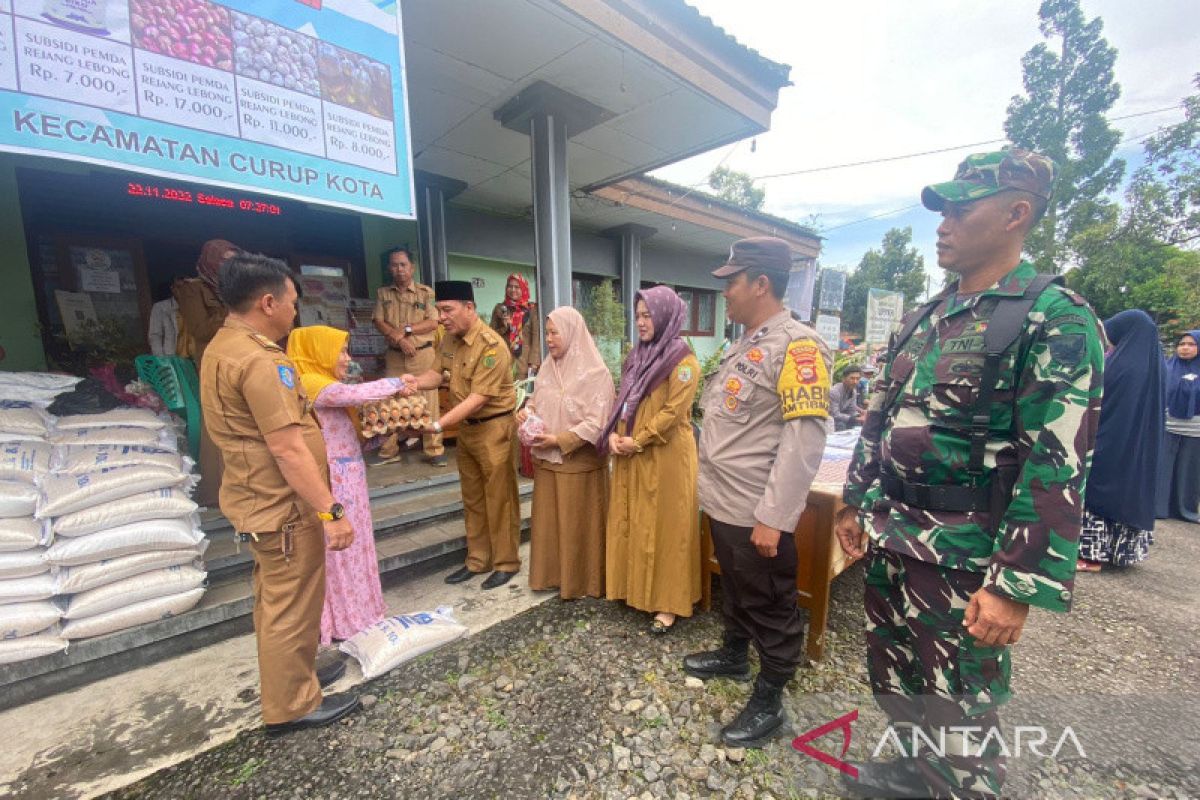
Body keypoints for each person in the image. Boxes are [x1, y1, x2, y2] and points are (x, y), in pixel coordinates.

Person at [834, 149, 1105, 798]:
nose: (943, 224)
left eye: (961, 209)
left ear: (1017, 213)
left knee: (959, 705)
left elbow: (1057, 460)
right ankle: (908, 770)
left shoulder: (1054, 318)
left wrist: (1016, 583)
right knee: (896, 678)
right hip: (895, 535)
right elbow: (879, 417)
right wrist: (854, 502)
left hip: (963, 553)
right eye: (943, 210)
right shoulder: (925, 318)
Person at [200, 253, 359, 735]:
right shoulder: (259, 361)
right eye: (292, 302)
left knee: (280, 598)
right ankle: (293, 705)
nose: (295, 312)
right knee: (289, 604)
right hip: (282, 506)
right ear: (267, 302)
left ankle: (300, 668)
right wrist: (331, 511)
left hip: (261, 500)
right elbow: (289, 449)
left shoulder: (223, 347)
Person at [686, 237, 831, 748]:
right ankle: (733, 655)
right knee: (737, 587)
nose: (724, 291)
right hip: (724, 501)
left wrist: (775, 516)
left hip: (755, 511)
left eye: (732, 281)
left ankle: (769, 697)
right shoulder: (746, 343)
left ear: (761, 284)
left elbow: (804, 439)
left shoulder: (799, 347)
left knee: (770, 602)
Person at [288, 325, 406, 641]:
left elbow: (346, 435)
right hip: (334, 480)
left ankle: (361, 612)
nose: (347, 358)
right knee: (342, 552)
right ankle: (344, 620)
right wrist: (399, 382)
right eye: (340, 351)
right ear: (317, 351)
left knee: (358, 546)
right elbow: (355, 393)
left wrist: (379, 436)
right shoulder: (310, 382)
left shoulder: (323, 383)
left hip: (349, 474)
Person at [400, 281, 521, 589]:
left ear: (469, 308)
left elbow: (477, 398)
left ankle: (506, 562)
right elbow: (436, 374)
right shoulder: (450, 340)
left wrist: (439, 426)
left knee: (500, 498)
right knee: (473, 497)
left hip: (494, 428)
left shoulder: (491, 345)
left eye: (447, 310)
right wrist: (411, 382)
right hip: (468, 430)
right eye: (439, 310)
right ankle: (478, 560)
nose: (441, 317)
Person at [600, 286, 701, 634]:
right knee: (637, 519)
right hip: (632, 449)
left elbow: (674, 412)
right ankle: (635, 590)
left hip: (667, 454)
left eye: (647, 316)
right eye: (638, 316)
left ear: (664, 316)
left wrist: (637, 440)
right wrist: (613, 431)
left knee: (668, 527)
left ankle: (669, 604)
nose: (641, 322)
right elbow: (622, 398)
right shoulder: (637, 356)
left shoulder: (682, 361)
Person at [519, 307, 614, 599]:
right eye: (546, 333)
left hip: (578, 463)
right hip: (547, 461)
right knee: (550, 524)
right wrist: (527, 413)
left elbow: (598, 423)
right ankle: (552, 576)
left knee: (577, 525)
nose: (548, 339)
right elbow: (536, 400)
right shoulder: (548, 366)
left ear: (571, 332)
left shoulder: (597, 373)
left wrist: (560, 440)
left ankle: (582, 581)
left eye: (554, 332)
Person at [1077, 310, 1165, 571]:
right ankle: (1119, 552)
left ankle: (1092, 555)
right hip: (1137, 450)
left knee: (1096, 492)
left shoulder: (1122, 365)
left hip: (1111, 443)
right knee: (1127, 494)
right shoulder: (1154, 365)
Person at [176, 238, 239, 506]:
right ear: (211, 261)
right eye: (224, 260)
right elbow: (200, 329)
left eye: (234, 260)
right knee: (217, 427)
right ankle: (216, 494)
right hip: (212, 361)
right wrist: (234, 310)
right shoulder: (192, 289)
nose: (230, 266)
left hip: (241, 359)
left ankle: (245, 490)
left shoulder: (238, 288)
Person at [371, 247, 445, 466]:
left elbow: (433, 321)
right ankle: (388, 451)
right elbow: (378, 321)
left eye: (403, 264)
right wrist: (400, 339)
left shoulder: (425, 293)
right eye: (394, 265)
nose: (399, 269)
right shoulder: (383, 294)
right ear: (389, 268)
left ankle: (434, 450)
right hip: (395, 355)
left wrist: (408, 330)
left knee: (428, 401)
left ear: (412, 268)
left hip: (422, 355)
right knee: (389, 399)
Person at [1157, 329, 1200, 523]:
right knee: (1164, 469)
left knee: (1188, 471)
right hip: (1169, 426)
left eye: (1191, 344)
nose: (1185, 348)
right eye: (1182, 344)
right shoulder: (1168, 367)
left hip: (1195, 429)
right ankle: (1160, 507)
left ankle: (1184, 509)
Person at [490, 273, 541, 380]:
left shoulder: (531, 309)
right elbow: (491, 335)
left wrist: (534, 362)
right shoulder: (500, 309)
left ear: (523, 289)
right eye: (510, 286)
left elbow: (536, 336)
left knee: (522, 395)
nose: (513, 290)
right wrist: (505, 326)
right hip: (502, 361)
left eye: (517, 287)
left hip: (524, 363)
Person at [147, 279, 181, 356]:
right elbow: (155, 336)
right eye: (179, 287)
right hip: (171, 358)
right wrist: (162, 360)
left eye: (187, 288)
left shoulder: (194, 308)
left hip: (193, 359)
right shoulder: (160, 307)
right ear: (172, 288)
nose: (183, 291)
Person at [829, 365, 865, 431]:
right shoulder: (835, 391)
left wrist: (861, 415)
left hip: (841, 420)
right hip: (830, 421)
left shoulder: (853, 392)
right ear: (844, 378)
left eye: (857, 379)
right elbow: (835, 414)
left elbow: (852, 410)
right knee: (841, 425)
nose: (855, 382)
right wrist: (856, 419)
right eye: (852, 378)